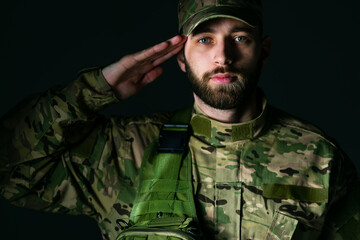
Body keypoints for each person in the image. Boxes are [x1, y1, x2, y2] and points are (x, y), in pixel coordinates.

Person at [0, 0, 359, 239]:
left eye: (239, 37)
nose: (223, 56)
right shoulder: (126, 149)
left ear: (263, 51)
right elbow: (10, 171)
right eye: (204, 39)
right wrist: (96, 88)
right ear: (181, 58)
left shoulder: (318, 157)